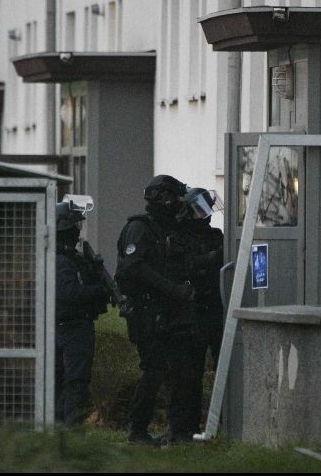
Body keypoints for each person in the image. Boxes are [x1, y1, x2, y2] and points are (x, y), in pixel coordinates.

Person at [115, 174, 198, 445]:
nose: (178, 205)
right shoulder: (140, 228)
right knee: (154, 371)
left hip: (170, 312)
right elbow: (134, 267)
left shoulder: (168, 229)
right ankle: (137, 431)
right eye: (175, 199)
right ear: (162, 199)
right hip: (147, 313)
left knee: (181, 372)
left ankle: (178, 431)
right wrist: (173, 290)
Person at [55, 197, 110, 426]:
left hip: (75, 325)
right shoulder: (61, 260)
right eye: (75, 224)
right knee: (75, 381)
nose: (78, 230)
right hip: (72, 327)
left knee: (71, 381)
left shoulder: (71, 258)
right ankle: (68, 430)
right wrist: (99, 290)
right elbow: (69, 293)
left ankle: (63, 429)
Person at [177, 188, 225, 438]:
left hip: (216, 308)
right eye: (199, 210)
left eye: (207, 209)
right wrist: (211, 258)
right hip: (193, 312)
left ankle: (224, 425)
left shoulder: (216, 235)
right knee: (191, 375)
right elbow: (184, 267)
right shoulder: (179, 238)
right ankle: (188, 427)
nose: (205, 215)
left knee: (224, 367)